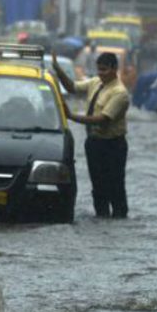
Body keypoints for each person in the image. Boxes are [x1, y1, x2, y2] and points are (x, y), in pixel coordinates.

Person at [52, 51, 130, 219]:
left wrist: (72, 116)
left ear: (115, 69)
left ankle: (119, 218)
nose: (101, 73)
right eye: (99, 69)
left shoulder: (120, 93)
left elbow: (102, 119)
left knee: (115, 186)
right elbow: (72, 87)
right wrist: (58, 71)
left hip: (113, 145)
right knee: (98, 186)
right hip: (94, 143)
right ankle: (101, 217)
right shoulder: (95, 82)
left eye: (104, 70)